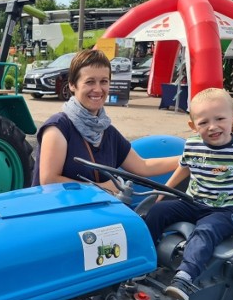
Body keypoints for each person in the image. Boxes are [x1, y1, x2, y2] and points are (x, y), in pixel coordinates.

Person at [144, 87, 233, 300]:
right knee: (157, 211)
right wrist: (164, 191)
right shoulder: (192, 144)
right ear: (193, 126)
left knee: (205, 231)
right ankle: (145, 257)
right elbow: (185, 167)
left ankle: (185, 277)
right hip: (192, 202)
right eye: (203, 122)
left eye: (220, 118)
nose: (212, 127)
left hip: (225, 211)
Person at [32, 48, 179, 193]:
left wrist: (187, 159)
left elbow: (143, 166)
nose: (97, 89)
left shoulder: (107, 131)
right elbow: (49, 181)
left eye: (104, 81)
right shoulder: (58, 127)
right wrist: (100, 187)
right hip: (60, 213)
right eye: (90, 82)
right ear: (72, 85)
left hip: (95, 213)